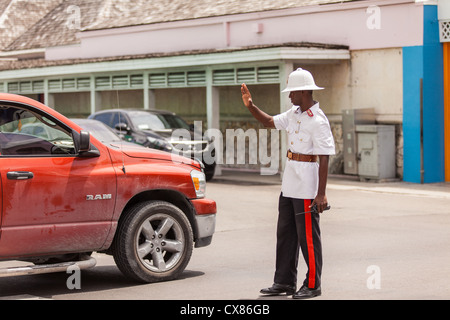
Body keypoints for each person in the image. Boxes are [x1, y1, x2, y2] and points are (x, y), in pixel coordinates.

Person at [240, 68, 335, 299]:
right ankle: (284, 282)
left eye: (292, 92)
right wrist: (251, 106)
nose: (289, 96)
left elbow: (324, 157)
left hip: (307, 185)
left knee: (308, 238)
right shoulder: (294, 113)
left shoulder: (318, 121)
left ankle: (313, 284)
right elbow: (270, 122)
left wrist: (321, 194)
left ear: (303, 91)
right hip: (290, 183)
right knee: (285, 234)